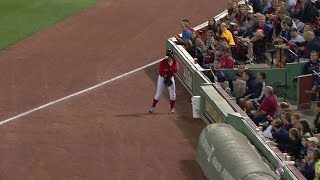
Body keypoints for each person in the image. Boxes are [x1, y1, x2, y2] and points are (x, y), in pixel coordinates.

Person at [149, 49, 178, 114]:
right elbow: (160, 71)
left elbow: (175, 71)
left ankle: (172, 108)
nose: (170, 57)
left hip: (170, 78)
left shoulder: (174, 62)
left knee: (172, 95)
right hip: (162, 78)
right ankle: (152, 107)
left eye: (170, 55)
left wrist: (171, 66)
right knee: (158, 94)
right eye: (168, 55)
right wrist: (164, 76)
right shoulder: (163, 62)